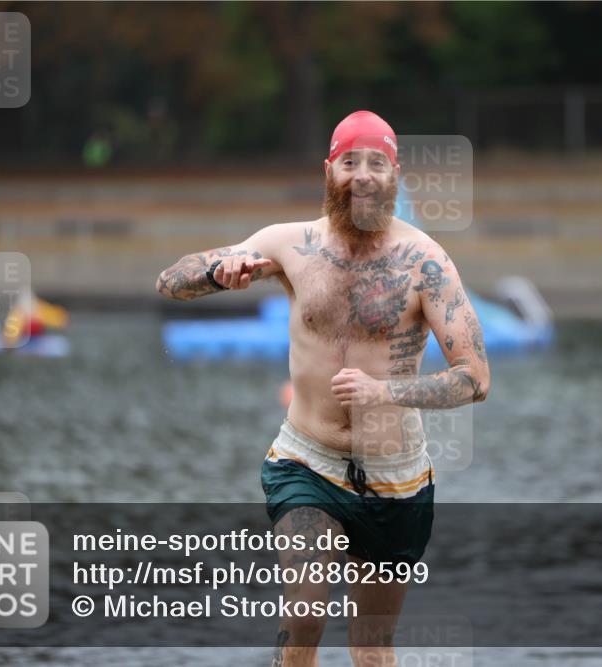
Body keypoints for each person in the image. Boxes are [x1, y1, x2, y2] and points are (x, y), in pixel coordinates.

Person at [156, 110, 491, 666]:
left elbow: (476, 379)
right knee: (305, 616)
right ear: (328, 171)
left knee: (372, 649)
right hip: (306, 462)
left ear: (395, 175)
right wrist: (221, 272)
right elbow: (170, 282)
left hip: (396, 478)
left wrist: (387, 393)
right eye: (349, 162)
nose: (362, 174)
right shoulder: (290, 244)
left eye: (376, 163)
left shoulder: (426, 262)